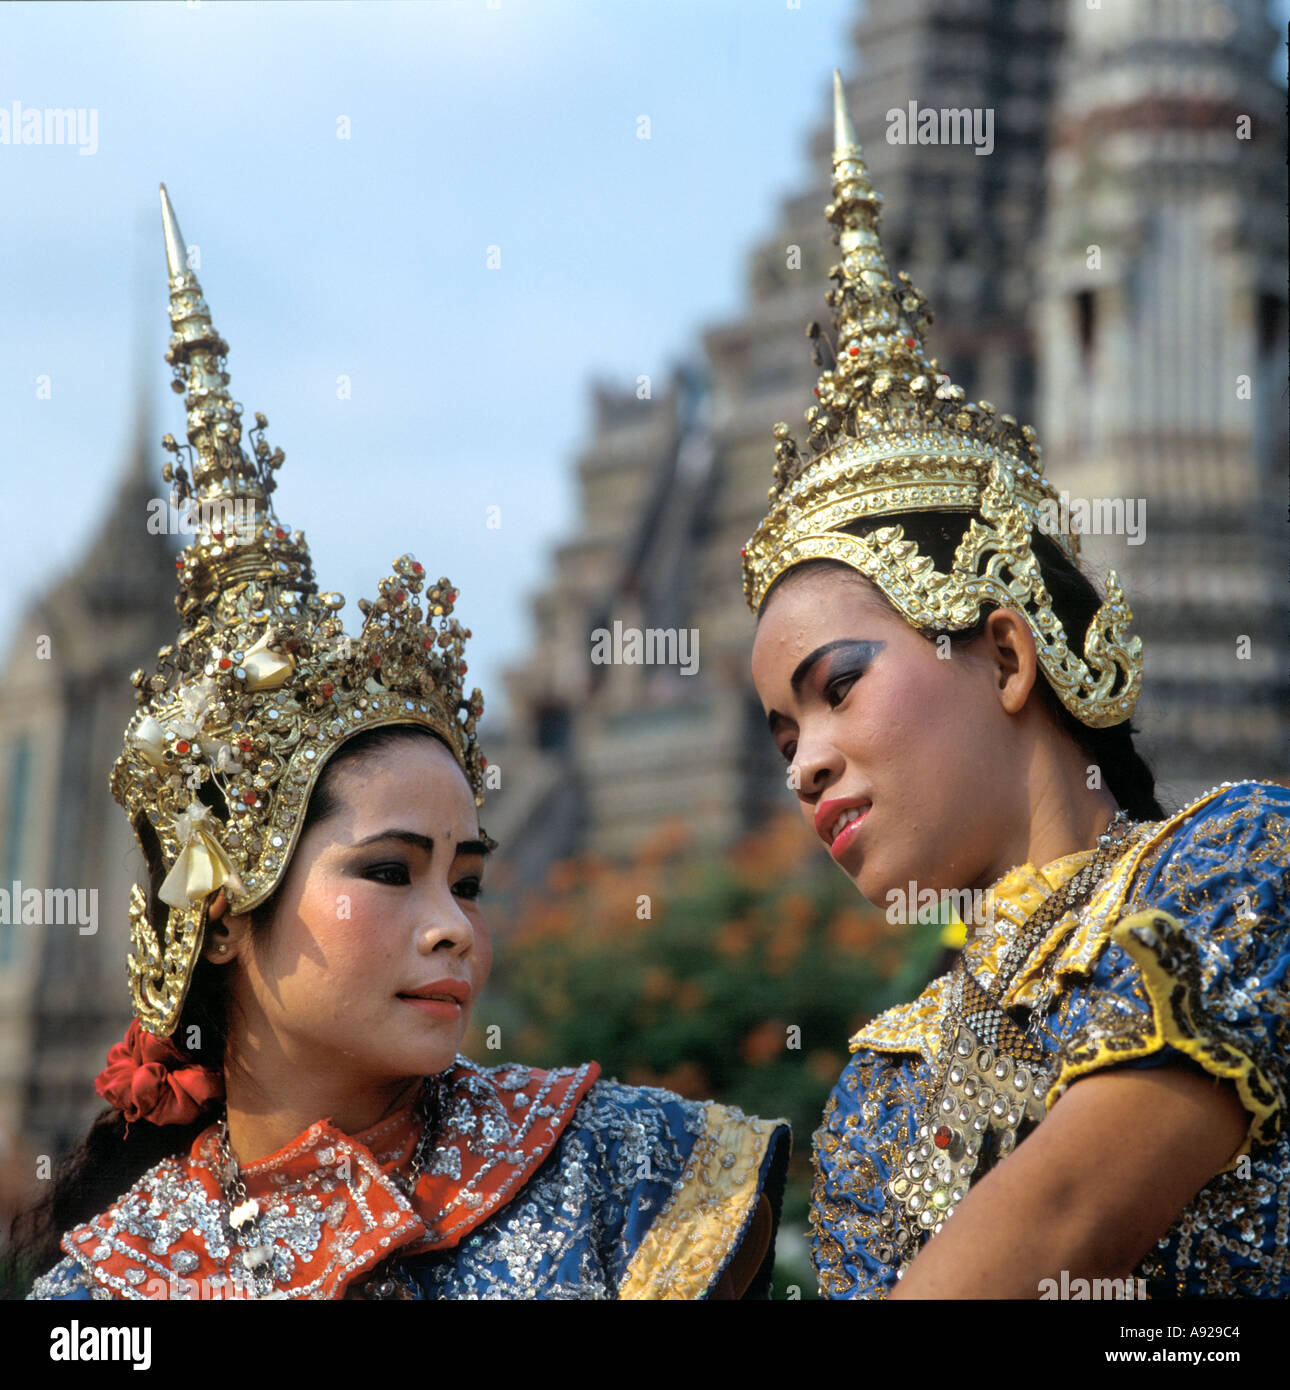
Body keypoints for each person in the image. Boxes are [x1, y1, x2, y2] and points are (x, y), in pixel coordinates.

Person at [17, 186, 788, 1301]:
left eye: (467, 879)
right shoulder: (108, 1294)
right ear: (224, 915)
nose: (454, 930)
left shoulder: (632, 1167)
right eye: (390, 870)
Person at [739, 73, 1288, 1299]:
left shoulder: (1237, 870)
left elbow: (1061, 1221)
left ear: (1004, 655)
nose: (803, 762)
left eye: (836, 689)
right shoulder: (879, 1096)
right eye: (781, 734)